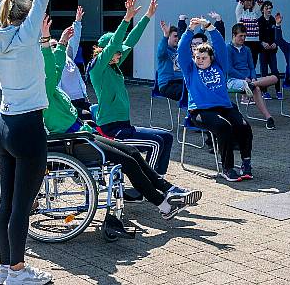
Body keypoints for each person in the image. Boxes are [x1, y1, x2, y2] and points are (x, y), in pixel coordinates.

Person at [42, 21, 202, 219]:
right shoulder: (46, 91)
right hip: (75, 140)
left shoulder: (52, 86)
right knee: (129, 160)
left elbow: (56, 67)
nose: (118, 54)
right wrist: (46, 41)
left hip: (83, 134)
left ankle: (169, 189)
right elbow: (52, 68)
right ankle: (163, 204)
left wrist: (62, 43)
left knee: (133, 153)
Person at [0, 0, 63, 285]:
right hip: (28, 129)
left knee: (7, 202)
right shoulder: (29, 33)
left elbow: (1, 0)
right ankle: (16, 271)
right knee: (22, 205)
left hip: (3, 127)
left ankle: (6, 268)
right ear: (26, 16)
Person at [87, 0, 174, 176]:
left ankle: (158, 181)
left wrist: (147, 16)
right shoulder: (98, 68)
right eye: (116, 52)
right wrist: (126, 18)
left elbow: (130, 41)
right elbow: (115, 43)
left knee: (167, 137)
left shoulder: (114, 66)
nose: (120, 55)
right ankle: (149, 184)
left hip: (124, 124)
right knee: (156, 142)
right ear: (105, 51)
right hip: (111, 129)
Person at [178, 17, 254, 182]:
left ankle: (246, 163)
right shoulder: (190, 69)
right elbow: (182, 51)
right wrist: (190, 29)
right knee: (223, 127)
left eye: (203, 57)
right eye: (197, 57)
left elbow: (219, 44)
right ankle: (228, 168)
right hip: (200, 110)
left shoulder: (220, 65)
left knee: (244, 126)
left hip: (224, 107)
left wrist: (210, 27)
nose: (200, 60)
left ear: (211, 58)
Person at [226, 23, 278, 129]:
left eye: (245, 36)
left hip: (250, 80)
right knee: (257, 89)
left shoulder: (247, 49)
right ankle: (268, 118)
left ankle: (252, 84)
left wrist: (253, 77)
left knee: (275, 78)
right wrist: (244, 78)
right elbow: (229, 69)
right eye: (241, 36)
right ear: (234, 35)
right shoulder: (228, 48)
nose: (243, 38)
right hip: (234, 80)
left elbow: (251, 67)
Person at [54, 6, 92, 120]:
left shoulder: (68, 57)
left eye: (56, 45)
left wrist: (78, 22)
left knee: (97, 113)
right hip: (67, 102)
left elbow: (74, 40)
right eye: (52, 46)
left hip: (80, 98)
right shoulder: (49, 63)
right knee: (86, 117)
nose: (55, 47)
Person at [236, 0, 264, 69]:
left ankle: (252, 82)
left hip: (255, 43)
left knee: (253, 64)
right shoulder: (239, 12)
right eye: (247, 0)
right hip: (244, 42)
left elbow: (260, 0)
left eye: (251, 1)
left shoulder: (255, 12)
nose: (249, 2)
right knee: (243, 64)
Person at [258, 1, 281, 98]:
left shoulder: (273, 20)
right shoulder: (259, 21)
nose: (269, 10)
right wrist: (262, 43)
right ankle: (264, 92)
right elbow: (257, 36)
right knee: (264, 71)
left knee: (275, 70)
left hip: (272, 50)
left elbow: (277, 34)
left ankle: (278, 91)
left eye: (270, 8)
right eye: (266, 8)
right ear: (262, 9)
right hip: (263, 50)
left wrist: (276, 43)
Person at [156, 20, 184, 101]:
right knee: (188, 94)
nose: (177, 38)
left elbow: (192, 44)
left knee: (199, 89)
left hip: (180, 82)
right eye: (175, 36)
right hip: (167, 85)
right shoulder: (164, 51)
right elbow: (161, 52)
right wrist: (165, 36)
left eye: (178, 36)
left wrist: (202, 30)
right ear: (169, 37)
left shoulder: (178, 51)